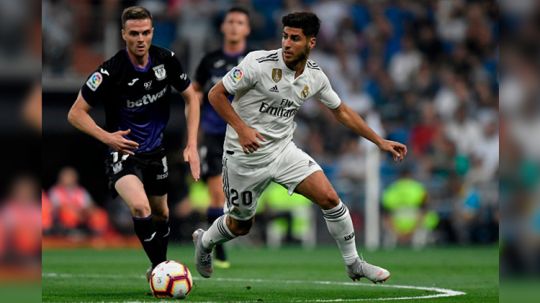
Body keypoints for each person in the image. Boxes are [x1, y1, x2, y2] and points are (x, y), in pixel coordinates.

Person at [192, 12, 407, 283]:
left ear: (311, 42)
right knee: (240, 224)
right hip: (244, 157)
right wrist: (242, 128)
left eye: (295, 38)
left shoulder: (315, 76)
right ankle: (205, 242)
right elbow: (215, 94)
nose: (287, 43)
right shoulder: (257, 63)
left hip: (283, 151)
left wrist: (379, 141)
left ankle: (354, 264)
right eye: (285, 36)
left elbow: (341, 111)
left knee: (330, 199)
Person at [67, 6, 200, 281]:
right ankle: (162, 270)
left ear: (152, 32)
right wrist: (107, 137)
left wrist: (192, 145)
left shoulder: (166, 60)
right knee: (141, 207)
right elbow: (75, 113)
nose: (141, 39)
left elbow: (192, 97)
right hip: (123, 152)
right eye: (134, 33)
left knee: (162, 213)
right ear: (123, 35)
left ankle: (158, 268)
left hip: (156, 151)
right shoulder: (110, 71)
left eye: (146, 32)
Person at [192, 6, 251, 269]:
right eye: (231, 21)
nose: (235, 26)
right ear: (223, 27)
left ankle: (222, 233)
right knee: (217, 194)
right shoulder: (209, 61)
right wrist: (192, 136)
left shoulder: (255, 60)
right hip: (215, 135)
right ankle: (217, 247)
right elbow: (193, 95)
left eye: (240, 22)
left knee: (243, 199)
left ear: (247, 29)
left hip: (245, 136)